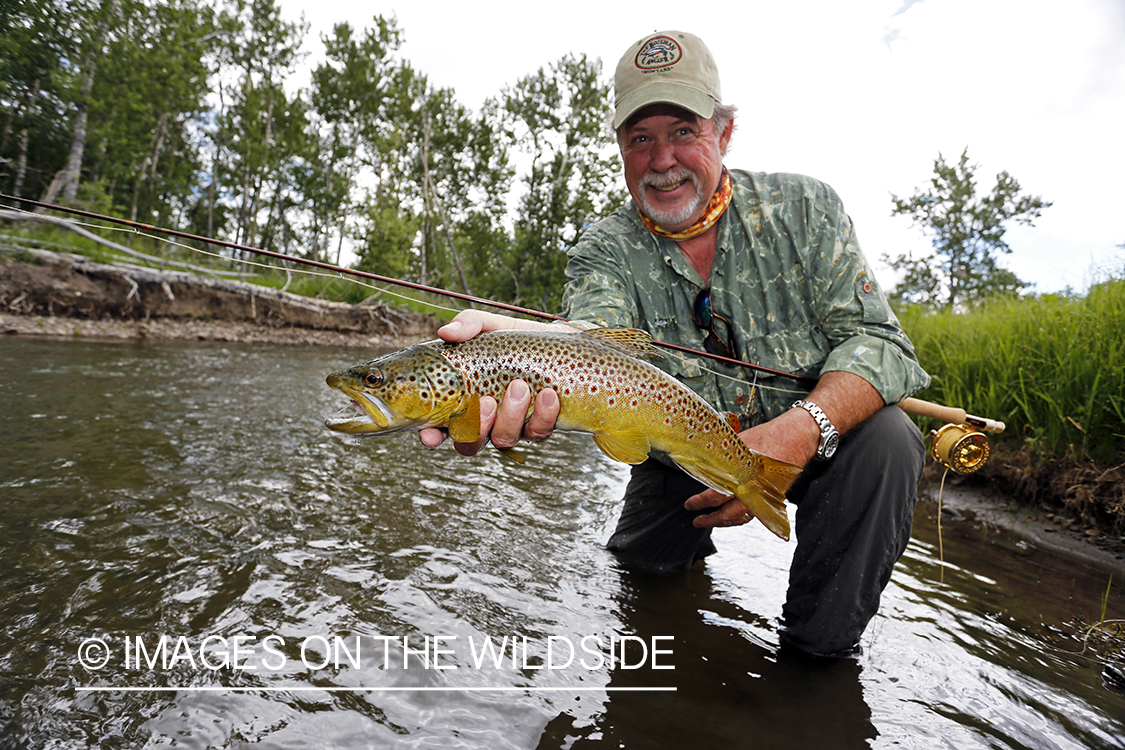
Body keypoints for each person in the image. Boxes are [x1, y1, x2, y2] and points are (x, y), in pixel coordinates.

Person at [420, 30, 930, 659]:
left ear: (725, 132)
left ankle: (814, 660)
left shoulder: (807, 209)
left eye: (683, 131)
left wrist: (802, 428)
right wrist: (520, 348)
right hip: (673, 454)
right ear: (621, 149)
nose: (662, 159)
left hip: (822, 441)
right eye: (641, 138)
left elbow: (881, 343)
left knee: (891, 438)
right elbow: (586, 337)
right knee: (640, 584)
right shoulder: (605, 246)